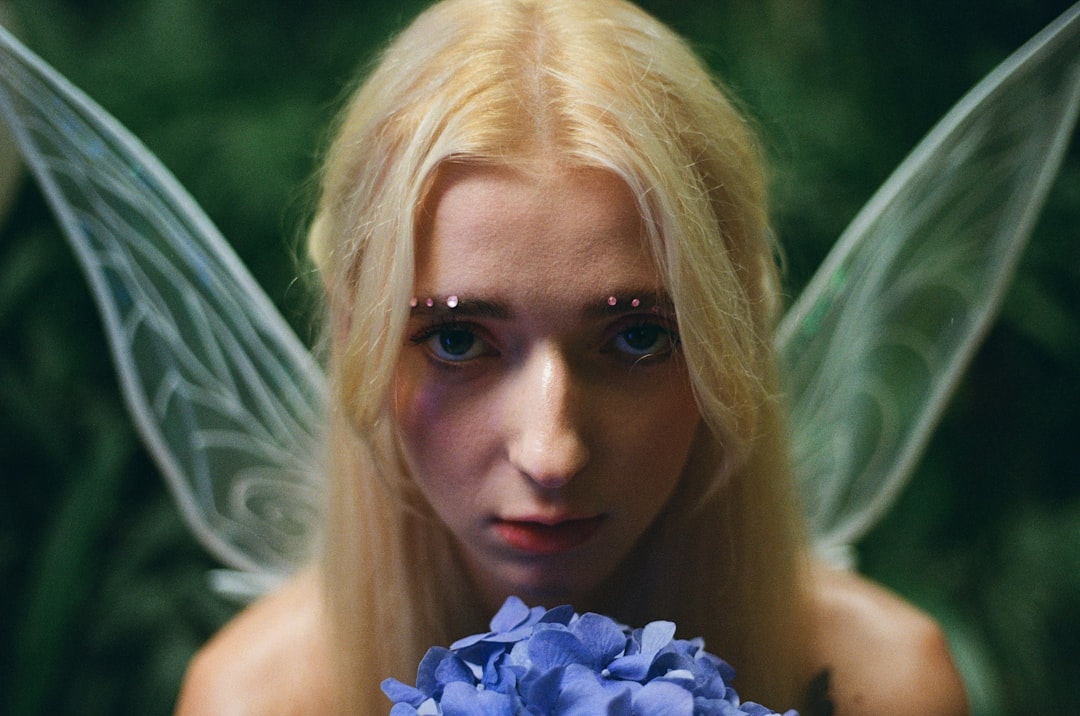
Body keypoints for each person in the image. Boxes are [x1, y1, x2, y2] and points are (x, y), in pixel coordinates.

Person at [174, 0, 970, 713]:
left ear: (732, 341)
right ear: (357, 336)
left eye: (639, 336)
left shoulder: (884, 688)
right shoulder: (256, 702)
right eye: (457, 339)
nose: (551, 455)